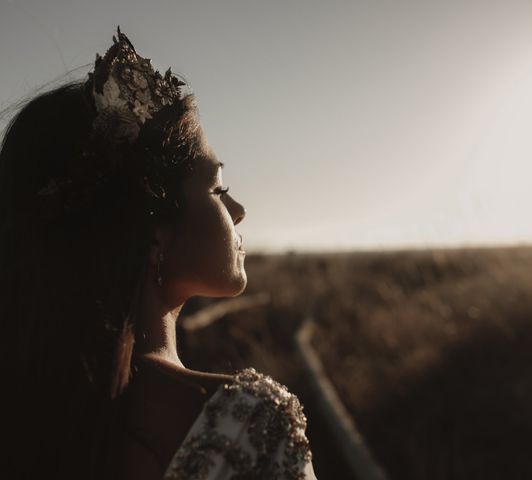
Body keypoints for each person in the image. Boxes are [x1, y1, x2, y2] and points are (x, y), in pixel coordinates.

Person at [0, 27, 317, 480]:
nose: (239, 210)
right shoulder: (248, 422)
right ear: (154, 232)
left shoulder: (24, 409)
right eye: (217, 187)